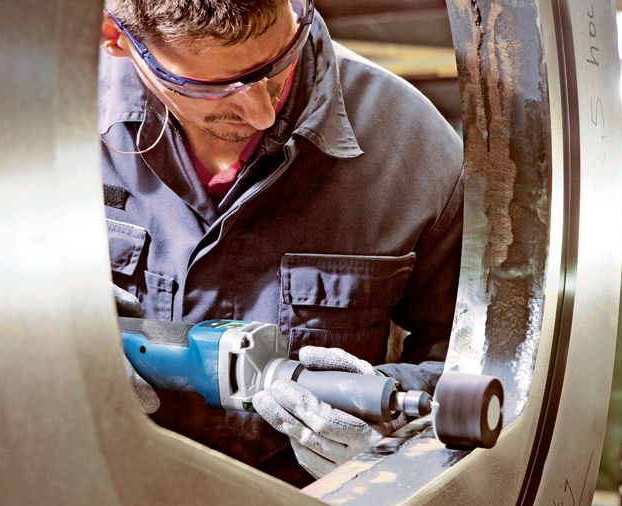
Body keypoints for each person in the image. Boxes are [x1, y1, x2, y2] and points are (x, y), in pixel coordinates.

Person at [100, 0, 463, 481]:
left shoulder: (414, 147)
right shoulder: (34, 129)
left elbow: (475, 363)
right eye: (217, 88)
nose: (262, 111)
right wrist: (39, 346)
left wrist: (394, 433)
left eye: (278, 65)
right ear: (118, 39)